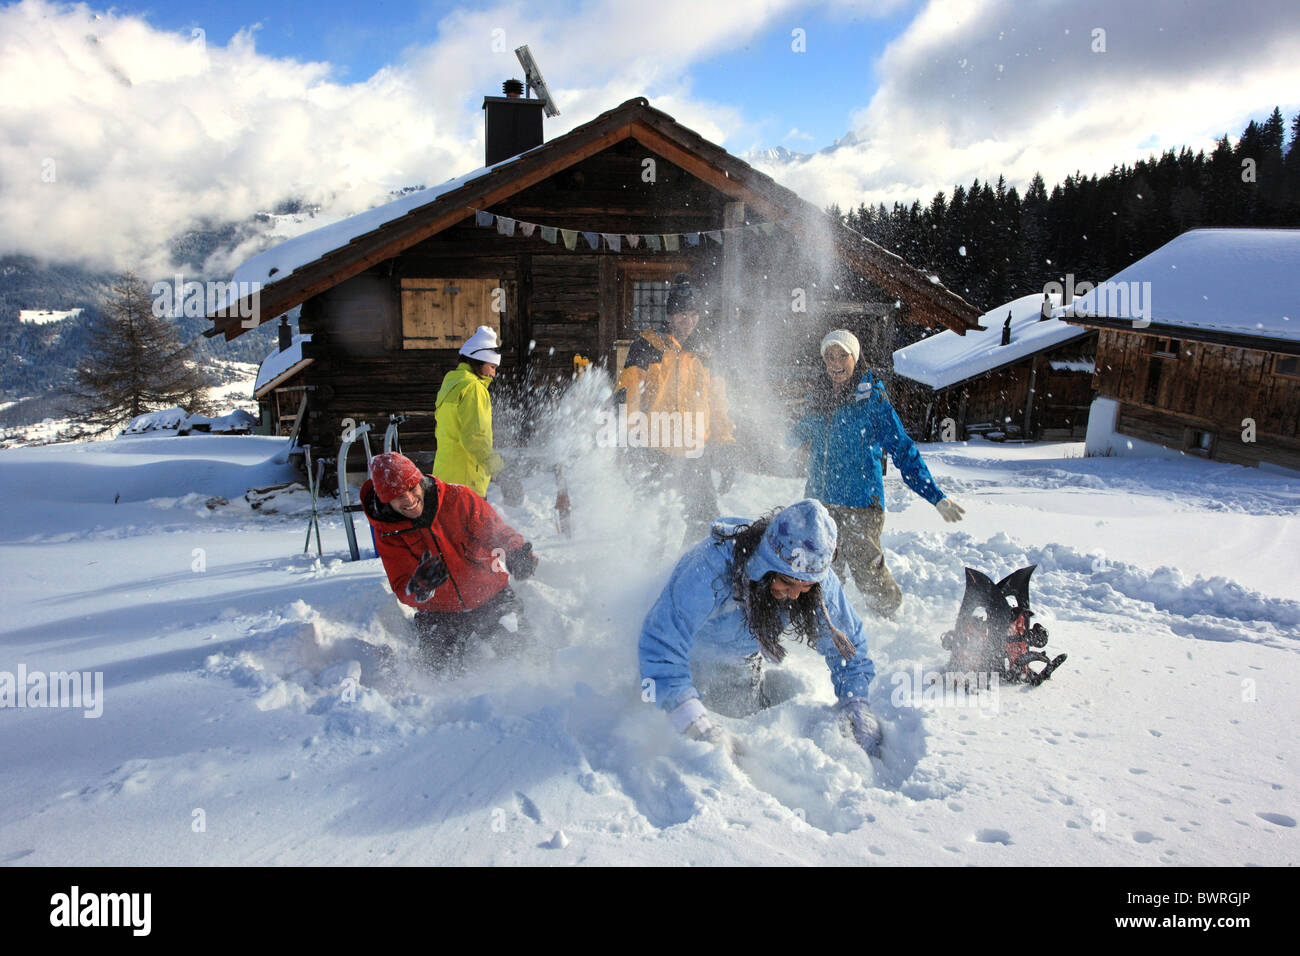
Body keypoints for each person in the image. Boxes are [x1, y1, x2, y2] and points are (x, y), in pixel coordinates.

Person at [638, 498, 883, 757]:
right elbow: (662, 638)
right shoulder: (711, 567)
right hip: (678, 667)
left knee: (741, 738)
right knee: (688, 750)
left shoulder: (816, 580)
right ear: (764, 567)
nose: (795, 595)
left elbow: (848, 647)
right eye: (787, 583)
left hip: (740, 668)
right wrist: (685, 712)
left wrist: (855, 700)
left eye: (805, 587)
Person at [788, 330, 964, 618]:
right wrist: (765, 442)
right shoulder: (818, 398)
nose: (835, 363)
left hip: (861, 505)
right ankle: (824, 623)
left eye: (842, 355)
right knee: (820, 572)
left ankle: (891, 620)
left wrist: (935, 496)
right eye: (829, 356)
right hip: (820, 504)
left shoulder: (872, 399)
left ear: (855, 358)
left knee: (868, 573)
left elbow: (903, 449)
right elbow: (797, 433)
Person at [362, 451, 538, 671]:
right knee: (437, 674)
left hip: (491, 596)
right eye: (397, 496)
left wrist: (515, 552)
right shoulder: (387, 532)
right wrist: (419, 586)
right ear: (385, 500)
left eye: (411, 488)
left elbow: (497, 532)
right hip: (440, 611)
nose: (408, 499)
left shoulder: (458, 498)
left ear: (419, 482)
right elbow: (401, 585)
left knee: (525, 656)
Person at [614, 274, 736, 542]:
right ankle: (643, 574)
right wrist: (627, 441)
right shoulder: (647, 345)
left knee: (704, 522)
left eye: (693, 314)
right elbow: (628, 395)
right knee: (651, 524)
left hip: (695, 452)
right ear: (669, 315)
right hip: (655, 449)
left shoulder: (705, 353)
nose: (688, 321)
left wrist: (725, 445)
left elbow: (718, 404)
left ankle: (687, 573)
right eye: (682, 313)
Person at [434, 325, 506, 498]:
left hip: (444, 476)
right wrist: (501, 474)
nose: (493, 374)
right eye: (492, 367)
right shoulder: (473, 388)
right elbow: (475, 438)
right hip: (466, 483)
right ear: (478, 361)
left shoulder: (452, 382)